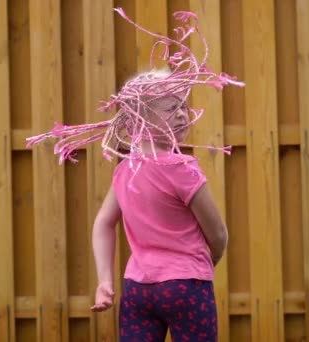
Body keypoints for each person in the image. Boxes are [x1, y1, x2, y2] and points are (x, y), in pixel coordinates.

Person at [26, 7, 243, 341]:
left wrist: (105, 281)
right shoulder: (181, 167)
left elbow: (102, 223)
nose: (184, 115)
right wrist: (210, 259)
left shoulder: (125, 169)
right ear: (139, 120)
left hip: (138, 290)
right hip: (187, 287)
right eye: (172, 109)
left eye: (184, 106)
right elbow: (218, 232)